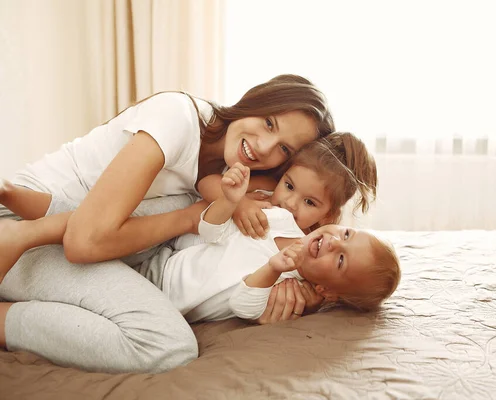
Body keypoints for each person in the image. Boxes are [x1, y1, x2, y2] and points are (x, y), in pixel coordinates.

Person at [0, 75, 335, 373]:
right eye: (268, 123)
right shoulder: (178, 118)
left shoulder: (236, 166)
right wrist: (188, 219)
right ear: (253, 101)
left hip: (88, 239)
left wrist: (310, 285)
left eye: (283, 148)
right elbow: (82, 243)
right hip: (26, 230)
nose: (263, 146)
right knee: (167, 347)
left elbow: (295, 204)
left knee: (206, 211)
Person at [0, 133, 399, 326]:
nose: (290, 202)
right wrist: (230, 203)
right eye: (344, 238)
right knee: (117, 218)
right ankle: (19, 199)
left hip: (158, 286)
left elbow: (246, 305)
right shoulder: (275, 215)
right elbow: (212, 228)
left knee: (116, 233)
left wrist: (277, 269)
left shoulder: (290, 288)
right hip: (169, 251)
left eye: (341, 259)